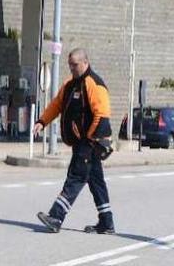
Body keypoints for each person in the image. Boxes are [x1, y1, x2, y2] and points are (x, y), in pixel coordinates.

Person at [34, 48, 114, 234]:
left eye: (75, 64)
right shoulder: (70, 85)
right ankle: (107, 222)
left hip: (90, 142)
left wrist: (90, 138)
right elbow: (57, 105)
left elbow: (102, 115)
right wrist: (42, 121)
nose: (71, 68)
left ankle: (56, 216)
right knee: (96, 182)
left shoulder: (94, 84)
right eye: (70, 64)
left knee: (76, 177)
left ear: (85, 62)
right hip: (82, 142)